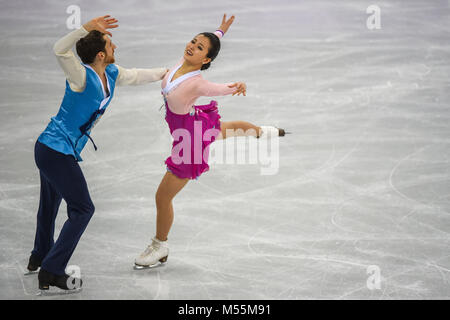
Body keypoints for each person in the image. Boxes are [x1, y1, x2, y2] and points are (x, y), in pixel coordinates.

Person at [28, 15, 168, 291]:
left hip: (55, 150)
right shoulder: (80, 76)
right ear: (102, 54)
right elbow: (59, 49)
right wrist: (85, 28)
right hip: (54, 151)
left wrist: (170, 71)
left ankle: (40, 256)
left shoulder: (111, 74)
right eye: (111, 46)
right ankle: (52, 270)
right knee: (83, 209)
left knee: (49, 208)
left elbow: (138, 75)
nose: (116, 49)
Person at [134, 14, 284, 269]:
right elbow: (207, 45)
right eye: (193, 41)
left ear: (206, 60)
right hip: (193, 124)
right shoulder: (182, 63)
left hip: (188, 143)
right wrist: (219, 32)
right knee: (231, 128)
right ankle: (264, 131)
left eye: (199, 47)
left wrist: (237, 85)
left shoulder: (197, 83)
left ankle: (160, 246)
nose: (192, 46)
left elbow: (218, 89)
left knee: (162, 198)